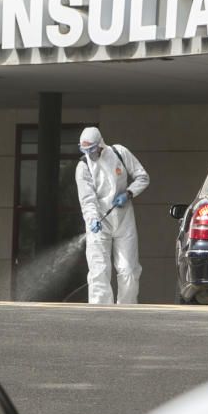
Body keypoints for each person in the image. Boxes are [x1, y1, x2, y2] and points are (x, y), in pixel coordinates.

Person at [75, 127, 150, 304]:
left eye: (91, 149)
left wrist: (129, 193)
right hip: (99, 223)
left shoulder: (119, 153)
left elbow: (143, 177)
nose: (89, 154)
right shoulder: (83, 167)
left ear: (100, 144)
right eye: (84, 150)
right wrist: (93, 219)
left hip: (124, 220)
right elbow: (87, 199)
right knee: (99, 271)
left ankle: (127, 312)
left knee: (129, 269)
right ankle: (100, 315)